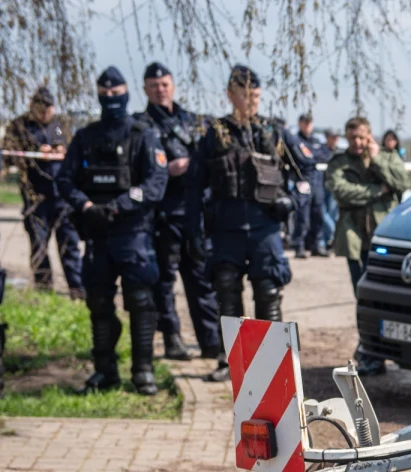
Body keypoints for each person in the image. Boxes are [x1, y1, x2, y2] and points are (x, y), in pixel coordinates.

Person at [194, 65, 312, 382]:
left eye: (256, 95)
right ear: (231, 95)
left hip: (265, 229)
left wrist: (293, 202)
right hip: (227, 228)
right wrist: (197, 231)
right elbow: (195, 185)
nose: (252, 102)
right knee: (227, 291)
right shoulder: (215, 134)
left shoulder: (273, 132)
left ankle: (273, 361)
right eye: (245, 95)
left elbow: (307, 174)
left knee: (268, 290)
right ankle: (232, 363)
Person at [57, 67, 168, 395]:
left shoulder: (143, 135)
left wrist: (121, 204)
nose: (111, 99)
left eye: (116, 93)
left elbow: (156, 182)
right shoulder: (85, 137)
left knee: (141, 302)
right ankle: (105, 371)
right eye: (104, 95)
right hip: (97, 235)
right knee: (99, 303)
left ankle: (143, 371)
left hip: (133, 234)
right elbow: (64, 180)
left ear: (126, 93)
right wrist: (87, 206)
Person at [135, 61, 222, 361]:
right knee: (164, 281)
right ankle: (172, 338)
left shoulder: (194, 121)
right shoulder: (140, 125)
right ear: (145, 89)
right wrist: (164, 170)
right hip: (162, 213)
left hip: (194, 213)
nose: (160, 90)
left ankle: (211, 341)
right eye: (154, 86)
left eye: (164, 84)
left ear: (172, 86)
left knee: (201, 278)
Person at [325, 116, 411, 376]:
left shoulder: (386, 156)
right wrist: (378, 190)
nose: (358, 143)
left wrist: (378, 160)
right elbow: (341, 192)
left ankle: (385, 351)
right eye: (352, 138)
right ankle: (370, 351)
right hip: (354, 240)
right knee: (363, 299)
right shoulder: (339, 162)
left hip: (383, 239)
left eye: (362, 137)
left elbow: (403, 183)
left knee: (388, 299)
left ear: (370, 136)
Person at [2, 87, 84, 299]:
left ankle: (77, 290)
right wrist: (36, 151)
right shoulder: (20, 126)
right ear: (32, 106)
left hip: (62, 198)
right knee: (39, 246)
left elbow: (64, 140)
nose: (45, 113)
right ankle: (44, 291)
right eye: (41, 109)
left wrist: (58, 148)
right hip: (35, 197)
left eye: (49, 108)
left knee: (69, 246)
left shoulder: (58, 124)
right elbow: (9, 154)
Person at [290, 112, 331, 258]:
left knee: (319, 215)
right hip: (303, 181)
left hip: (317, 182)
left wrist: (311, 157)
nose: (307, 125)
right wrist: (311, 158)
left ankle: (316, 245)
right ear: (300, 123)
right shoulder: (295, 140)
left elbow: (325, 155)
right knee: (302, 216)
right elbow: (302, 158)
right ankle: (299, 246)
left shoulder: (316, 140)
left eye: (309, 123)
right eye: (305, 122)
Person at [320, 128, 341, 246]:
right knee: (323, 214)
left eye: (336, 137)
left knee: (333, 215)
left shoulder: (338, 152)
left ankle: (327, 241)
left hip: (334, 188)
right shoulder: (322, 151)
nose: (335, 140)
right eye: (332, 137)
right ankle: (332, 235)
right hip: (322, 186)